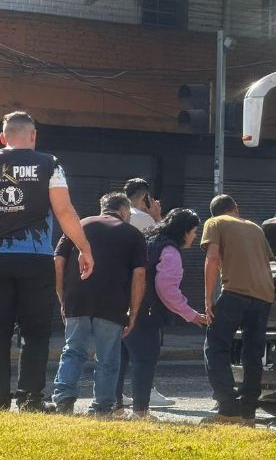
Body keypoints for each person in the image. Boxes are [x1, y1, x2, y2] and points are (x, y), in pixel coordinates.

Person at [0, 111, 94, 412]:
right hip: (37, 258)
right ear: (33, 136)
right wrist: (84, 248)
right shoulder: (50, 164)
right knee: (36, 332)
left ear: (3, 138)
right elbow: (65, 212)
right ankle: (30, 399)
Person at [51, 192, 145, 416]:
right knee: (108, 357)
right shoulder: (132, 234)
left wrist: (62, 296)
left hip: (77, 298)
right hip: (112, 304)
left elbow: (58, 260)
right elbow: (139, 275)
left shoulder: (79, 225)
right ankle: (101, 408)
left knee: (73, 350)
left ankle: (64, 399)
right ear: (124, 211)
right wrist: (134, 312)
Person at [123, 208, 206, 420]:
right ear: (184, 231)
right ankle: (140, 411)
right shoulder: (170, 252)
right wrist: (192, 315)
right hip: (146, 311)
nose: (195, 236)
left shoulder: (149, 240)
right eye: (194, 231)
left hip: (123, 305)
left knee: (120, 358)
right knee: (145, 359)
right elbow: (167, 290)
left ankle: (114, 406)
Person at [201, 195, 275, 426]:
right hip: (264, 296)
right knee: (252, 355)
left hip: (235, 292)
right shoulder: (255, 228)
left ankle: (228, 408)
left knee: (215, 347)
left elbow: (212, 259)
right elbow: (267, 262)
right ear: (236, 208)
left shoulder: (215, 223)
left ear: (215, 213)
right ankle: (248, 413)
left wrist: (207, 299)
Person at [116, 177, 174, 410]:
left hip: (118, 288)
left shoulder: (120, 216)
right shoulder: (144, 218)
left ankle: (117, 396)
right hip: (141, 291)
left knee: (120, 348)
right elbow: (162, 244)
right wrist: (158, 217)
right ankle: (145, 393)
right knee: (145, 349)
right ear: (145, 198)